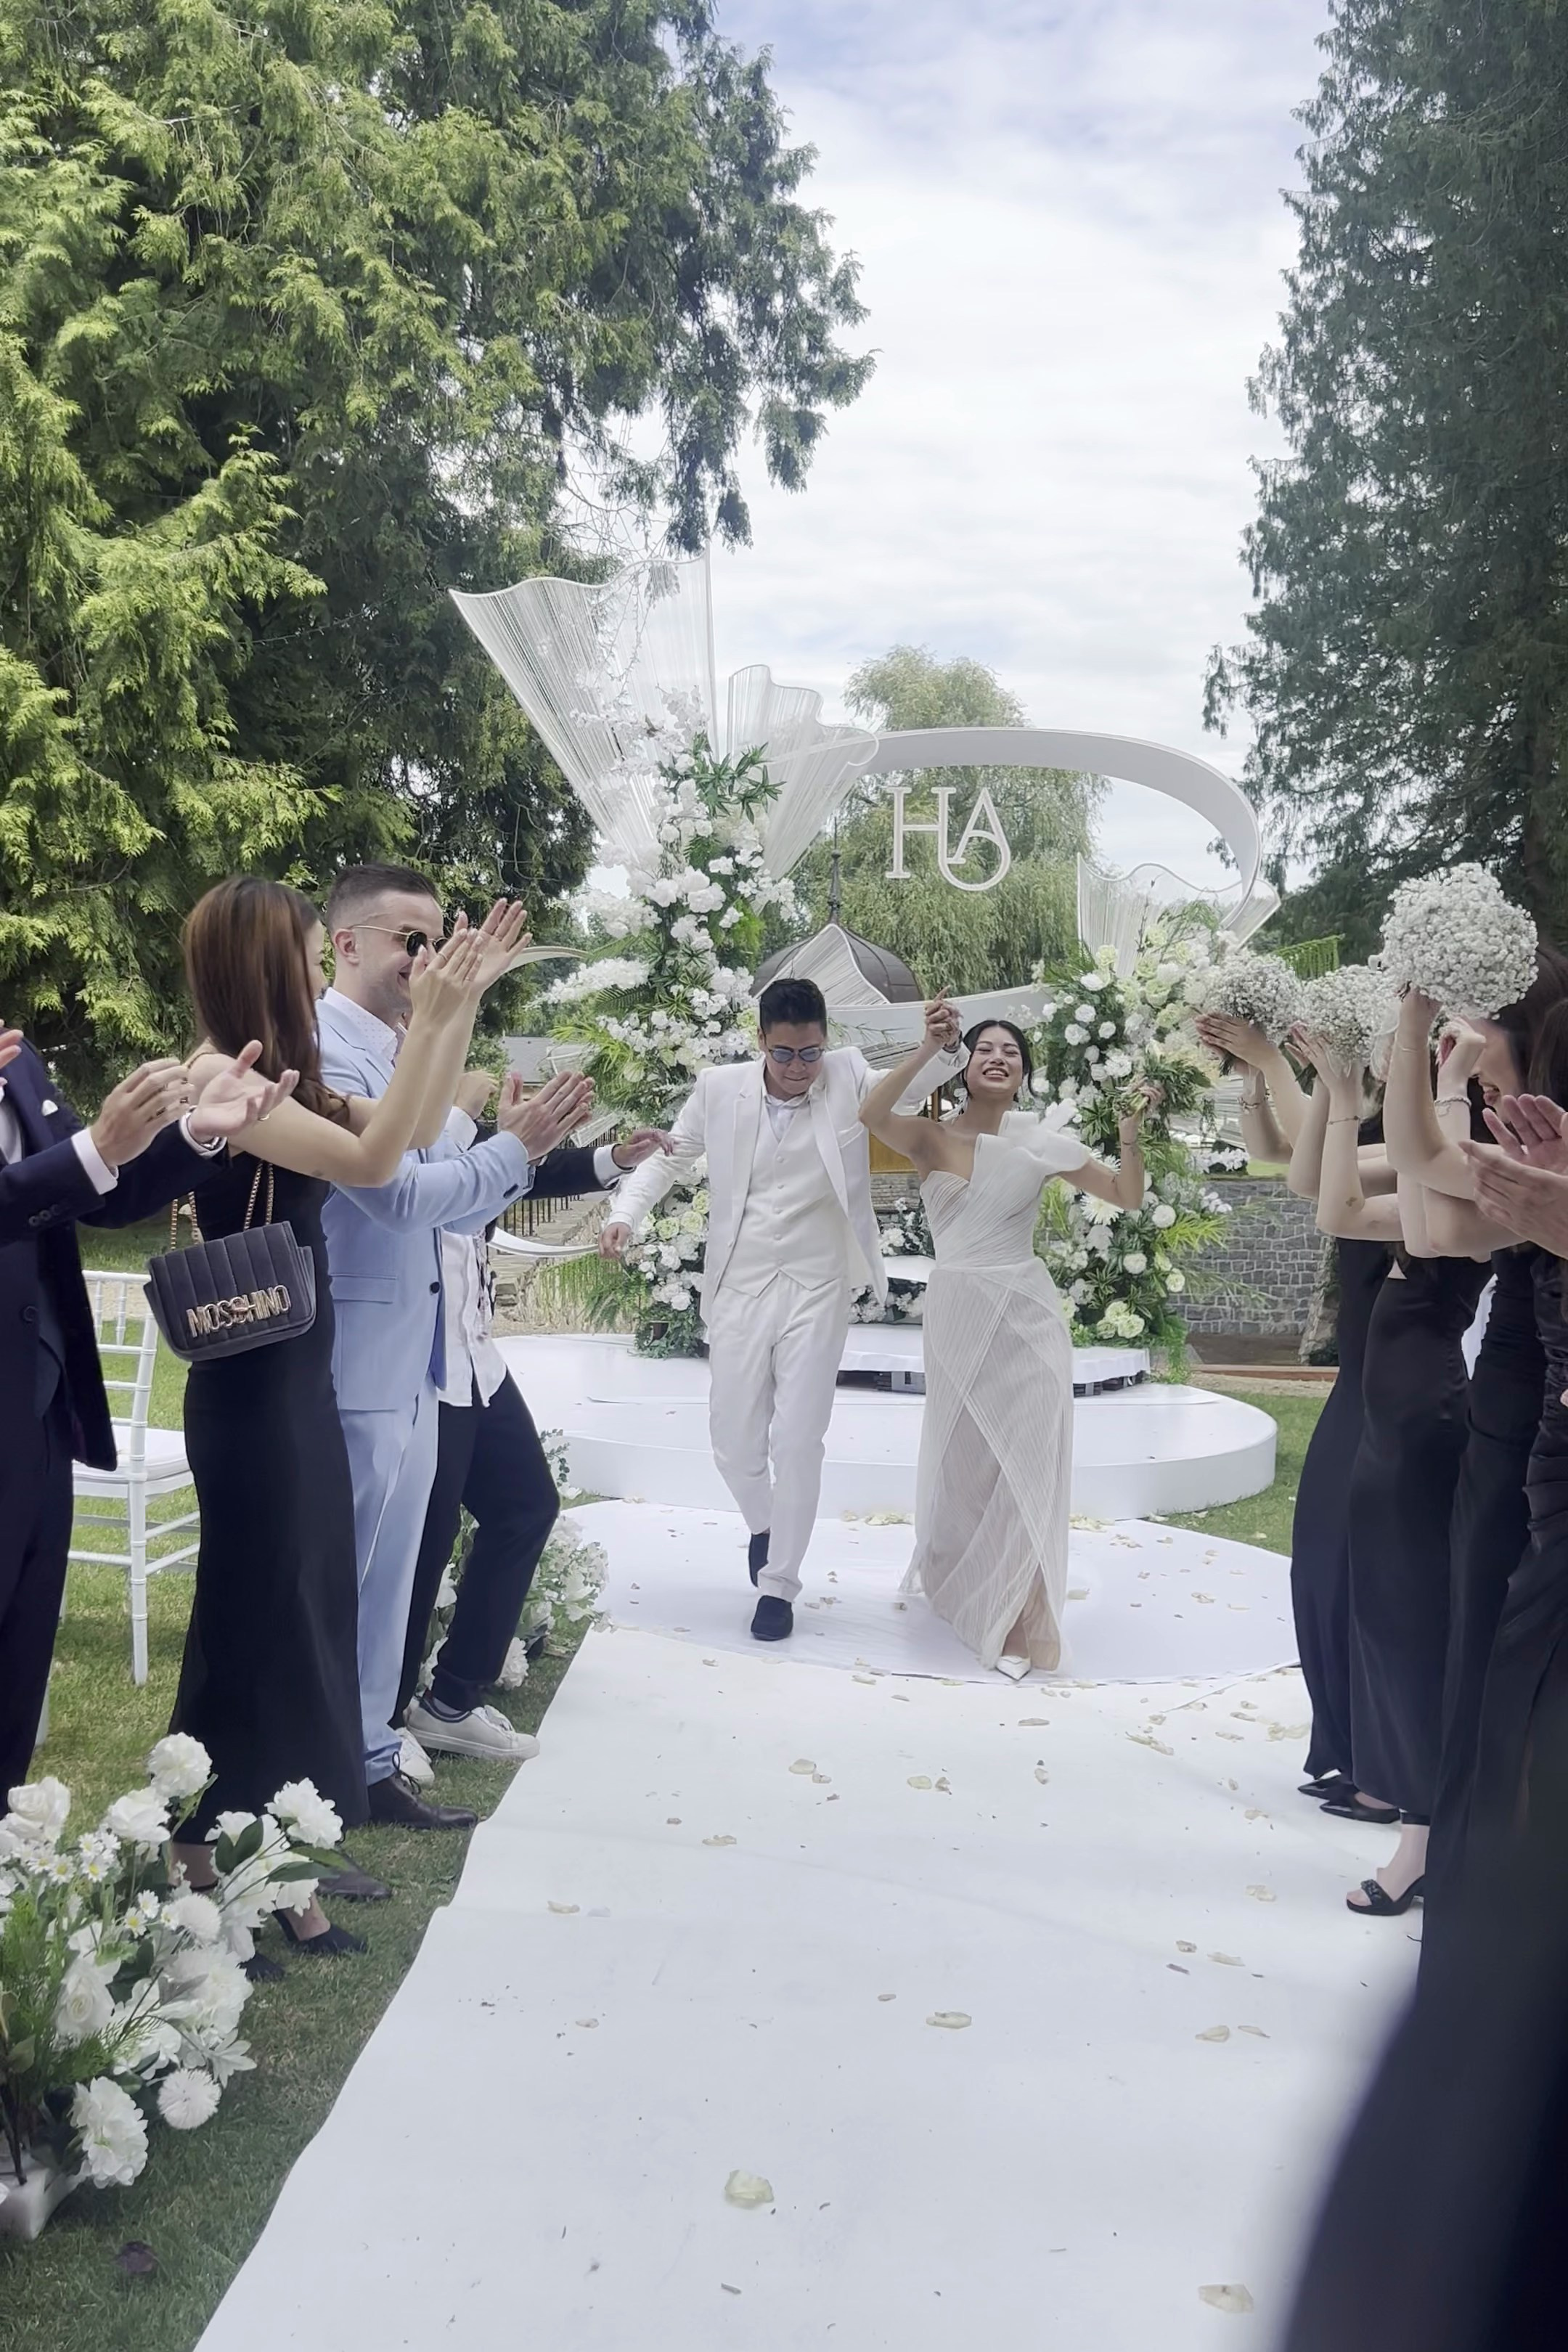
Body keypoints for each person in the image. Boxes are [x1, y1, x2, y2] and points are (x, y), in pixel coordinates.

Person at [171, 878, 507, 1951]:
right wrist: (441, 1013)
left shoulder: (293, 1080)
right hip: (252, 1390)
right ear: (267, 962)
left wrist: (446, 1013)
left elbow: (411, 1137)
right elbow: (373, 1165)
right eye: (311, 953)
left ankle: (233, 1854)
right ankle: (235, 1858)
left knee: (291, 1613)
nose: (323, 970)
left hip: (298, 1379)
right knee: (263, 1620)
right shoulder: (223, 1079)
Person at [315, 863, 607, 1822]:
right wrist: (509, 1150)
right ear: (345, 942)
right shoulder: (326, 1050)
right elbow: (403, 1197)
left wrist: (510, 1145)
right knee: (351, 1582)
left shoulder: (408, 1044)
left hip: (431, 1351)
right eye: (410, 939)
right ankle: (328, 1769)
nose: (427, 959)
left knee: (397, 1577)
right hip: (361, 1347)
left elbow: (452, 1178)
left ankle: (366, 1761)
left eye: (437, 941)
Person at [601, 976, 966, 1642]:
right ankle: (766, 1525)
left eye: (811, 1053)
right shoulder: (718, 1088)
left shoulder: (850, 1074)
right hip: (739, 1282)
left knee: (798, 1439)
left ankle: (780, 1583)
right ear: (761, 1042)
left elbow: (910, 1088)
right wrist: (626, 1213)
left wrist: (940, 1046)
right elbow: (667, 1162)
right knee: (733, 1442)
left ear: (827, 1042)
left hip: (818, 1281)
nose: (800, 1068)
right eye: (785, 1054)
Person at [0, 1023, 292, 1797]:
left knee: (17, 1671)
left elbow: (103, 1190)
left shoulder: (17, 1057)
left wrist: (196, 1131)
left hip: (34, 1412)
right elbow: (85, 1159)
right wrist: (97, 1144)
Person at [858, 1001, 1153, 1677]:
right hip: (960, 1309)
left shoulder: (1039, 1142)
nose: (998, 1057)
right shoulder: (931, 1138)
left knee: (1030, 1460)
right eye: (985, 1048)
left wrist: (1130, 1132)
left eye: (1012, 1052)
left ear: (1024, 1073)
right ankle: (961, 1578)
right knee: (967, 1460)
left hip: (1028, 1315)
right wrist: (927, 1050)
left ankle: (1021, 1619)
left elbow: (1127, 1194)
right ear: (965, 1067)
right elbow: (871, 1117)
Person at [396, 1071, 669, 1763]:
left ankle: (452, 1696)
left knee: (525, 1507)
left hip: (475, 1356)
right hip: (419, 1363)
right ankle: (385, 1720)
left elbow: (519, 1164)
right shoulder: (394, 1103)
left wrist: (614, 1161)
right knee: (421, 1547)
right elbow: (424, 1189)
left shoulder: (456, 1107)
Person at [1302, 1019, 1493, 1918]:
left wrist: (1436, 1072)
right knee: (1386, 1618)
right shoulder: (1435, 1163)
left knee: (1418, 1627)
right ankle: (1404, 1808)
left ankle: (1421, 1838)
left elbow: (1429, 1216)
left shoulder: (1486, 1175)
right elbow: (1333, 1207)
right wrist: (1343, 1099)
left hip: (1427, 1422)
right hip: (1385, 1422)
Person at [1201, 1013, 1394, 1805]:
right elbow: (1283, 1150)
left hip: (1401, 1361)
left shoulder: (1424, 1137)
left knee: (1363, 1566)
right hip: (1364, 1364)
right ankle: (1354, 1745)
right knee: (1324, 1560)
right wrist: (1256, 1078)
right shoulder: (1372, 1119)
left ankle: (1385, 1765)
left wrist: (1280, 1061)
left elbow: (1310, 1174)